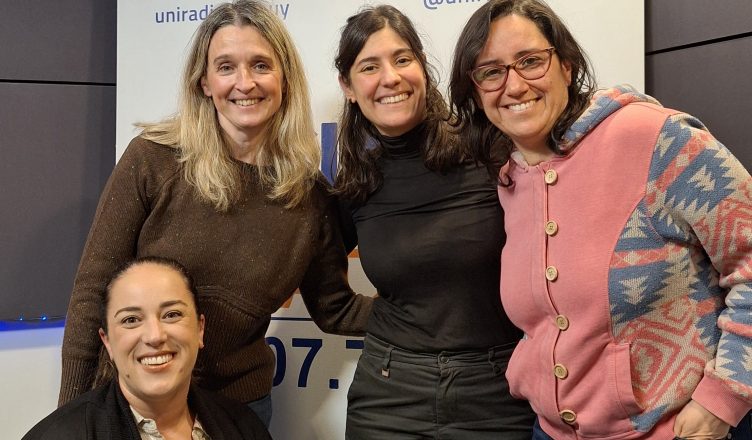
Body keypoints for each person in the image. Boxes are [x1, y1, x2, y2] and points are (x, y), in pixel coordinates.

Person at [58, 0, 373, 428]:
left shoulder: (309, 196)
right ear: (204, 82)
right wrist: (71, 419)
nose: (245, 83)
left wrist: (433, 312)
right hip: (137, 405)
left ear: (284, 78)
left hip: (240, 411)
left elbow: (334, 308)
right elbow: (92, 295)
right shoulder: (153, 160)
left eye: (260, 65)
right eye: (226, 67)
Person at [449, 0, 752, 439]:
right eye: (491, 72)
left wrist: (723, 398)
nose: (513, 85)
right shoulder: (510, 180)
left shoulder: (655, 138)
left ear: (566, 65)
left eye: (530, 61)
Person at [333, 5, 534, 439]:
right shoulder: (356, 184)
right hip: (388, 392)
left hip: (496, 393)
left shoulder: (491, 150)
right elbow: (327, 297)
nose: (390, 77)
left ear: (422, 67)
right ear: (348, 86)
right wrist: (398, 319)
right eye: (369, 66)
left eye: (402, 59)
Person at [25, 257, 272, 439]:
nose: (155, 336)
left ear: (200, 329)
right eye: (131, 320)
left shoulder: (245, 428)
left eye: (172, 314)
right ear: (107, 341)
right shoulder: (60, 435)